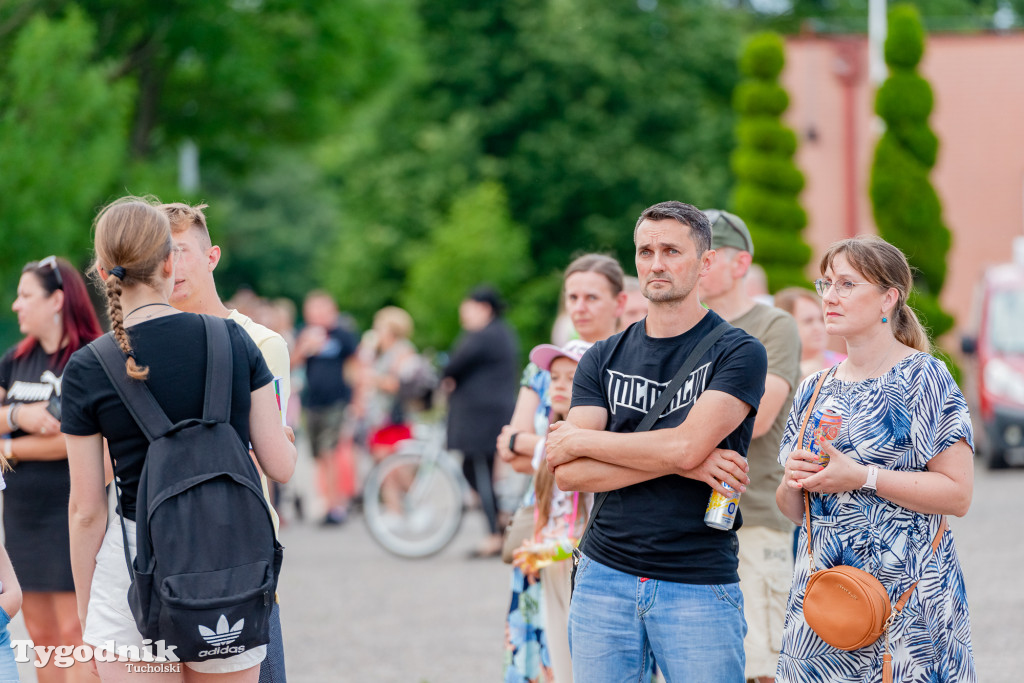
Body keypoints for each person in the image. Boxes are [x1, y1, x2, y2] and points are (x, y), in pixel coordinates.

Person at [63, 197, 297, 681]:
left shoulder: (89, 366)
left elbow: (86, 510)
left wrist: (88, 610)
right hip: (228, 563)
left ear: (103, 271)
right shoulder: (234, 340)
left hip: (132, 570)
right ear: (170, 262)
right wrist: (285, 438)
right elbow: (280, 465)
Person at [545, 200, 766, 682]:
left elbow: (683, 447)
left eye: (671, 250)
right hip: (604, 576)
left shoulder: (739, 352)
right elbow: (568, 473)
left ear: (706, 263)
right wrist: (684, 461)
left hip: (696, 581)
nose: (656, 263)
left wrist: (587, 441)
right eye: (645, 251)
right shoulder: (602, 357)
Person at [775, 235, 975, 683]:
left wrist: (862, 476)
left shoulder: (923, 376)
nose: (829, 296)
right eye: (825, 283)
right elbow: (795, 512)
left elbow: (958, 495)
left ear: (889, 297)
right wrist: (793, 482)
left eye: (846, 284)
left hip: (907, 605)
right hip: (824, 607)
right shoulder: (814, 387)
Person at [159, 201, 292, 683]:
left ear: (212, 256)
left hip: (241, 541)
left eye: (181, 252)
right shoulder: (142, 343)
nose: (171, 268)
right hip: (164, 542)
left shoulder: (260, 342)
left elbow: (268, 453)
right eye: (161, 256)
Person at [700, 209, 802, 683]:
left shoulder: (772, 325)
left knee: (763, 663)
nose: (695, 265)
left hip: (756, 514)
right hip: (684, 518)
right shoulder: (681, 323)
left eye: (708, 255)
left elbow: (756, 422)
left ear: (741, 264)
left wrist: (671, 441)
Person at [1, 255, 102, 683]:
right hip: (22, 514)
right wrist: (20, 418)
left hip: (71, 510)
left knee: (73, 632)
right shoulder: (13, 360)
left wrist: (14, 447)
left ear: (57, 299)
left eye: (26, 296)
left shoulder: (88, 358)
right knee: (40, 634)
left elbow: (86, 444)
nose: (15, 305)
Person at [505, 339, 593, 683]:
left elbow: (588, 522)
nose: (558, 384)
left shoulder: (594, 440)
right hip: (551, 565)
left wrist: (551, 549)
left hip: (582, 568)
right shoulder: (549, 438)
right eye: (555, 376)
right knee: (556, 660)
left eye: (571, 378)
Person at [497, 254, 626, 475]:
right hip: (540, 504)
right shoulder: (542, 366)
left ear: (619, 303)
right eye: (573, 297)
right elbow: (515, 459)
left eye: (592, 298)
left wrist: (525, 443)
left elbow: (625, 456)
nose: (579, 308)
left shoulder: (628, 366)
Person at [443, 286, 518, 558]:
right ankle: (499, 519)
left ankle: (494, 534)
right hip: (488, 413)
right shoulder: (501, 333)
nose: (464, 314)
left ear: (484, 308)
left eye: (468, 308)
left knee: (480, 470)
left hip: (481, 416)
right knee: (474, 469)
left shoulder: (483, 335)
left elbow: (452, 366)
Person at [292, 290, 360, 525]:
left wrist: (357, 401)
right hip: (312, 402)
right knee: (319, 454)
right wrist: (304, 347)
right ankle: (327, 500)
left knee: (330, 451)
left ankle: (335, 506)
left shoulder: (342, 334)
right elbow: (291, 363)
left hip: (336, 401)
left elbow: (354, 366)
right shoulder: (304, 334)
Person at [774, 287, 847, 380]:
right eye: (808, 321)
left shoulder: (847, 365)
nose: (818, 327)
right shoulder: (772, 372)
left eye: (822, 319)